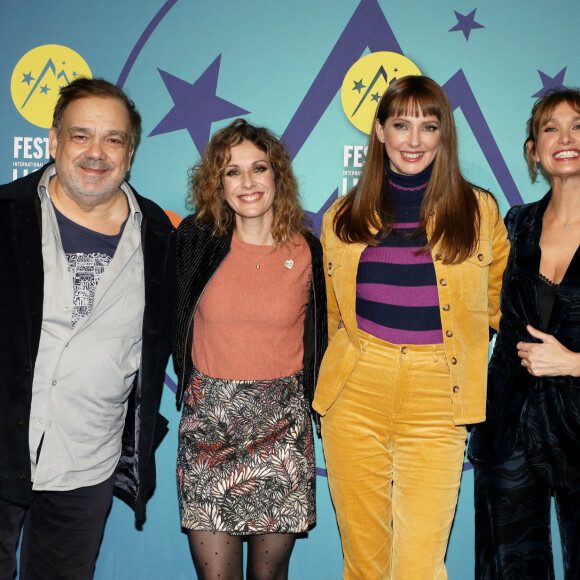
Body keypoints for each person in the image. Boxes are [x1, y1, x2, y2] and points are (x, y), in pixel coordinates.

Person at [312, 75, 510, 579]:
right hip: (355, 393)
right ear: (379, 132)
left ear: (444, 134)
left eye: (428, 125)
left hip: (439, 396)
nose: (414, 140)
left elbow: (499, 305)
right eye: (401, 124)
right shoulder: (340, 217)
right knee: (364, 565)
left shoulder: (480, 211)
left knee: (421, 566)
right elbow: (336, 318)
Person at [0, 77, 175, 579]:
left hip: (86, 464)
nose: (96, 152)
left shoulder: (164, 239)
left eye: (113, 139)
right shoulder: (5, 216)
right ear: (54, 141)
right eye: (81, 136)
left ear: (131, 151)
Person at [173, 118, 326, 580]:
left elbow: (325, 337)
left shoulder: (307, 251)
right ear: (216, 184)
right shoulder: (193, 242)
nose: (247, 182)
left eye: (258, 168)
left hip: (281, 431)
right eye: (232, 171)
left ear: (277, 176)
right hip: (208, 433)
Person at [469, 88, 580, 579]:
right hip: (509, 431)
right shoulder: (515, 223)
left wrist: (573, 361)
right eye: (550, 128)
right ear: (533, 149)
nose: (566, 137)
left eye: (578, 125)